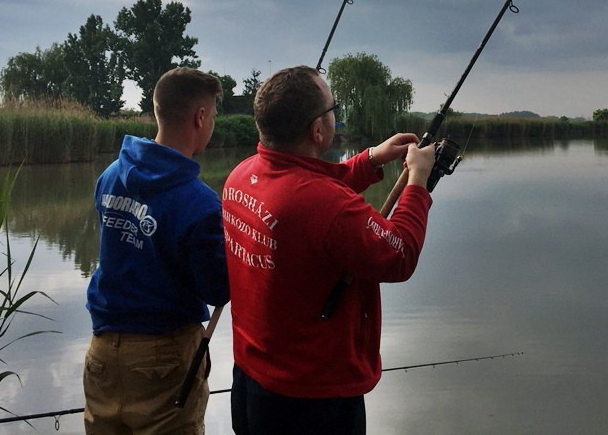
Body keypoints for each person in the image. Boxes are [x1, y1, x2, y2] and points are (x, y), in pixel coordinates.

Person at [222, 65, 436, 435]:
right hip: (313, 400)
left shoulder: (241, 175)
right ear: (318, 130)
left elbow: (307, 187)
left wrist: (370, 159)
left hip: (252, 379)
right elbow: (398, 255)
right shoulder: (326, 205)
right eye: (332, 108)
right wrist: (418, 181)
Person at [84, 67, 229, 435]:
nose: (211, 122)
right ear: (200, 117)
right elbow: (218, 289)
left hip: (101, 353)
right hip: (162, 359)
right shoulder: (200, 202)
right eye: (212, 114)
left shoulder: (111, 174)